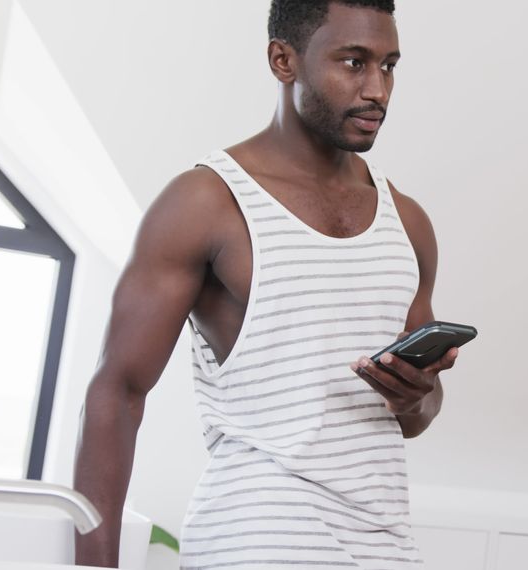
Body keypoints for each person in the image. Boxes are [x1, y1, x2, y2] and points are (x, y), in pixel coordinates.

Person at [73, 1, 458, 568]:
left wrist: (416, 395)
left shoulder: (408, 222)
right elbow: (117, 392)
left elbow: (417, 417)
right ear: (284, 60)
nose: (378, 89)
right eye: (354, 63)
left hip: (385, 547)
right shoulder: (207, 203)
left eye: (389, 65)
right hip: (253, 539)